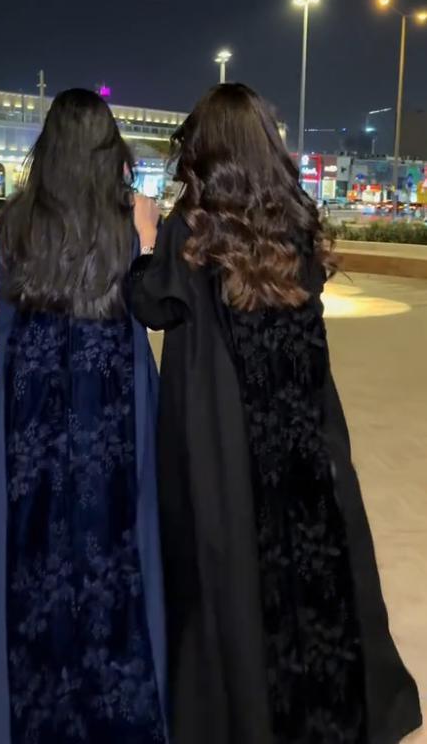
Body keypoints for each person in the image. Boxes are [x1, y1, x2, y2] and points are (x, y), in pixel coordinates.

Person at [130, 83, 422, 744]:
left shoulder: (192, 228)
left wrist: (144, 243)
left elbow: (151, 304)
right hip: (303, 426)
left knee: (229, 566)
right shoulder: (296, 218)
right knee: (311, 557)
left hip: (224, 435)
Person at [0, 89, 167, 744]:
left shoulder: (16, 223)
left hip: (30, 413)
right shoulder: (127, 221)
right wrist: (147, 245)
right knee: (116, 550)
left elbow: (4, 327)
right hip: (112, 410)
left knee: (32, 553)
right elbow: (154, 308)